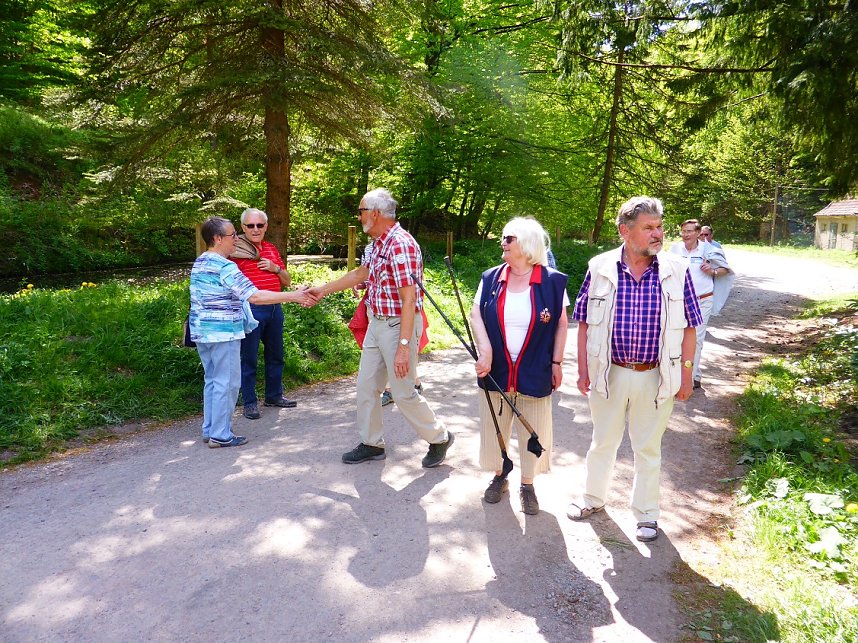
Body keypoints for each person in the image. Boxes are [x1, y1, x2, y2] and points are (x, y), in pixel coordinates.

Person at [566, 197, 702, 542]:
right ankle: (592, 499)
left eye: (659, 227)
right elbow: (582, 321)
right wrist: (583, 370)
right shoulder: (599, 267)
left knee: (648, 448)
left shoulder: (677, 270)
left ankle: (646, 515)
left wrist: (686, 375)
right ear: (626, 231)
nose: (657, 234)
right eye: (649, 228)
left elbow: (690, 327)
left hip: (657, 375)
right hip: (608, 371)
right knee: (602, 442)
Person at [308, 188, 454, 467]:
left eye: (361, 211)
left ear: (374, 214)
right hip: (377, 322)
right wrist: (323, 290)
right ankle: (371, 443)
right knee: (366, 387)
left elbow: (409, 299)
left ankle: (440, 437)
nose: (359, 216)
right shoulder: (377, 243)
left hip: (399, 325)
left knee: (402, 393)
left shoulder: (400, 244)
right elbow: (362, 273)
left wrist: (402, 347)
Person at [470, 217, 569, 515]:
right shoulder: (490, 278)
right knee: (495, 426)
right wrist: (484, 351)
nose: (503, 242)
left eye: (508, 238)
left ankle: (528, 483)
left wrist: (557, 362)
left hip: (535, 368)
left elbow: (562, 323)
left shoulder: (553, 281)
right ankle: (501, 475)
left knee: (534, 428)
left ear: (526, 244)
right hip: (496, 371)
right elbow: (476, 315)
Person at [189, 217, 313, 448]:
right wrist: (294, 296)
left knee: (213, 380)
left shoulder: (202, 262)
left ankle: (210, 429)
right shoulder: (224, 266)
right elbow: (254, 296)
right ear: (217, 239)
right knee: (227, 383)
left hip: (203, 332)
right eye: (232, 235)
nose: (237, 239)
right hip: (223, 332)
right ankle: (221, 435)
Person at [230, 207, 298, 420]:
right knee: (248, 357)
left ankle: (274, 395)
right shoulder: (235, 251)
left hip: (275, 308)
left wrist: (274, 268)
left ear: (266, 226)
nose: (255, 229)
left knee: (276, 355)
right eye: (250, 225)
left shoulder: (270, 249)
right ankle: (249, 402)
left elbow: (287, 281)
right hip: (251, 309)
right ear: (243, 227)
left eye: (260, 225)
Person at [353, 243, 424, 407]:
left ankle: (400, 390)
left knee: (400, 363)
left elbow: (410, 286)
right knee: (385, 360)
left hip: (398, 316)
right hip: (374, 310)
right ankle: (403, 386)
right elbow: (370, 278)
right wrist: (359, 284)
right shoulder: (370, 248)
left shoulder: (400, 245)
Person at [669, 219, 733, 389]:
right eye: (683, 231)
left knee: (696, 339)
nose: (685, 235)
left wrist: (712, 271)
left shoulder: (710, 250)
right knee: (677, 337)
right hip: (680, 301)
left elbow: (725, 269)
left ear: (698, 233)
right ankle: (692, 373)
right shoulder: (675, 249)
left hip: (702, 300)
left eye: (689, 231)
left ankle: (688, 379)